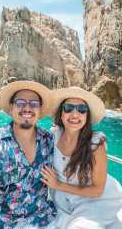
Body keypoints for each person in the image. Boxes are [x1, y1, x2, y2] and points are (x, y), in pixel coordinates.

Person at [0, 80, 57, 229]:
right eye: (20, 103)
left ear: (39, 110)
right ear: (11, 108)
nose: (27, 108)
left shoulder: (49, 141)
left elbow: (74, 140)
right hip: (7, 224)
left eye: (33, 104)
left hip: (46, 218)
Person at [41, 86, 122, 229]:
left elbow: (97, 190)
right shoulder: (53, 135)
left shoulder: (96, 143)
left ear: (87, 116)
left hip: (94, 202)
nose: (75, 114)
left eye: (81, 109)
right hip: (63, 202)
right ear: (61, 114)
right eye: (68, 108)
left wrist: (58, 185)